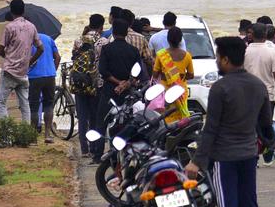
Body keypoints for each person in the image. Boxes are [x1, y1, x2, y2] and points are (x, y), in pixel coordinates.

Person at [186, 36, 274, 207]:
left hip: (224, 158)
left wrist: (197, 162)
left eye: (217, 57)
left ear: (225, 59)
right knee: (250, 206)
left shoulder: (220, 88)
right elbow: (266, 126)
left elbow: (211, 129)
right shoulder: (258, 86)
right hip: (248, 155)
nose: (216, 61)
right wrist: (263, 146)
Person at [94, 18, 141, 162]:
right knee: (127, 123)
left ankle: (98, 155)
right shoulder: (133, 50)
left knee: (101, 122)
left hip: (109, 91)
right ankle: (126, 154)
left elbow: (103, 71)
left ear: (113, 32)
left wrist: (117, 82)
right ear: (126, 32)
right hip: (127, 94)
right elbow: (137, 72)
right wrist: (126, 83)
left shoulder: (107, 49)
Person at [243, 23, 275, 154]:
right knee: (265, 125)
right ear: (265, 34)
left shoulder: (245, 51)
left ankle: (253, 151)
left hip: (247, 94)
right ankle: (266, 148)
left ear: (252, 35)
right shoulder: (271, 52)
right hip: (267, 95)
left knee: (250, 125)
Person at [0, 0, 42, 122]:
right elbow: (41, 48)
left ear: (11, 11)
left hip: (9, 72)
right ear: (23, 11)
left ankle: (6, 131)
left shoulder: (9, 27)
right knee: (25, 104)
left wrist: (9, 58)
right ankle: (26, 130)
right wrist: (30, 61)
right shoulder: (32, 27)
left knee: (1, 102)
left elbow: (0, 49)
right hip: (23, 72)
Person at [69, 15, 104, 157]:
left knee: (82, 117)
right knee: (94, 117)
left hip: (79, 82)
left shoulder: (78, 40)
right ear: (101, 27)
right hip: (95, 84)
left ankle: (84, 149)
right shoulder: (103, 41)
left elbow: (74, 58)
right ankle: (94, 147)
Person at [152, 26, 193, 123]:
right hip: (180, 91)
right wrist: (180, 77)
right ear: (180, 40)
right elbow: (191, 75)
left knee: (165, 116)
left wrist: (167, 75)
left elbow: (155, 74)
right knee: (181, 117)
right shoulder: (187, 56)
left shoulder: (161, 55)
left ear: (168, 39)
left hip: (165, 90)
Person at [28, 32, 60, 142]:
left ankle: (33, 138)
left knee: (33, 106)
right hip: (50, 76)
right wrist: (53, 71)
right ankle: (47, 135)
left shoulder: (28, 39)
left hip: (34, 77)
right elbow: (57, 57)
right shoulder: (49, 38)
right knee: (49, 105)